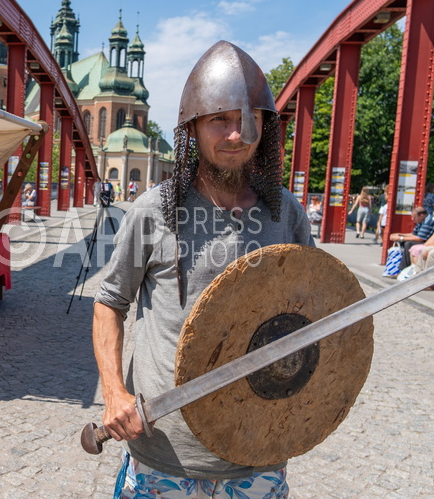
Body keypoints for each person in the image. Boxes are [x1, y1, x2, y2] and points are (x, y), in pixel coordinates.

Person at [93, 41, 312, 498]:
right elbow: (110, 301)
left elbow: (311, 313)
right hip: (166, 451)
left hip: (257, 449)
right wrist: (113, 391)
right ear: (191, 127)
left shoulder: (286, 213)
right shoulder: (153, 210)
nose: (236, 134)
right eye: (219, 119)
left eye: (249, 120)